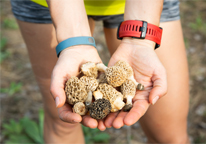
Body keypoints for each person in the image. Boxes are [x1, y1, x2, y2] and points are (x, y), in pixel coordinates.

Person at [10, 0, 189, 143]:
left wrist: (140, 42)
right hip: (52, 5)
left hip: (141, 5)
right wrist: (73, 43)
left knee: (171, 137)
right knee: (63, 120)